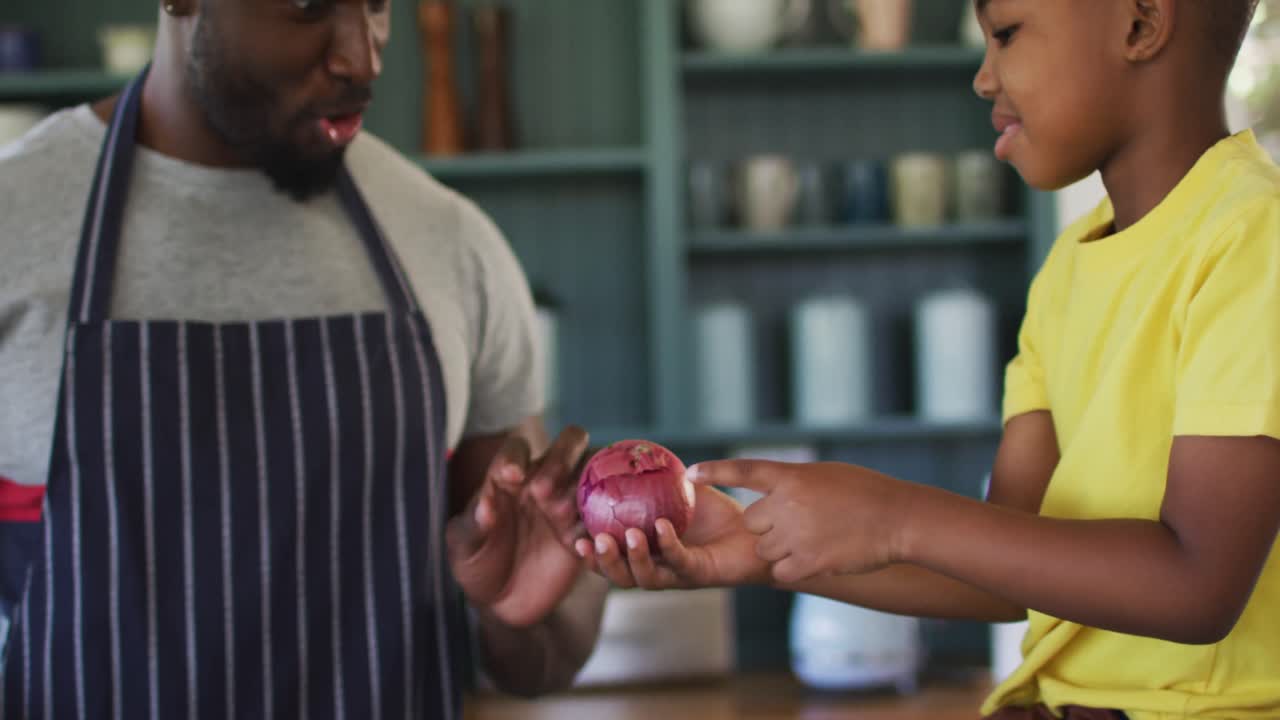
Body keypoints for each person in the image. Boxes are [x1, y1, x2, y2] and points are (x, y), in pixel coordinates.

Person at [580, 1, 1280, 718]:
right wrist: (755, 544)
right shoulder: (1067, 270)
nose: (983, 77)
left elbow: (1198, 585)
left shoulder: (1254, 241)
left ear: (1140, 23)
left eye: (1006, 34)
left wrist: (895, 516)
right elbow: (1002, 570)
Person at [0, 0, 608, 717]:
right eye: (309, 6)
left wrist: (516, 614)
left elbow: (541, 648)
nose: (363, 56)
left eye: (377, 5)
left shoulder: (451, 242)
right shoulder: (16, 223)